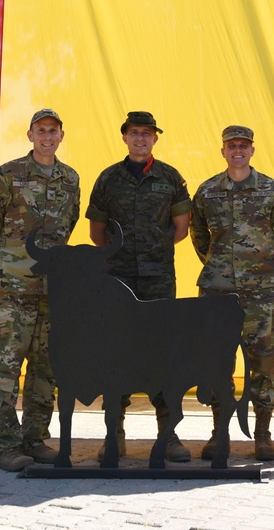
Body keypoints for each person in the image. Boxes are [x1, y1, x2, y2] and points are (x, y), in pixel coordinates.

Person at [87, 110, 192, 462]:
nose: (141, 139)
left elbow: (181, 228)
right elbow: (96, 232)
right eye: (135, 133)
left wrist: (154, 251)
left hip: (158, 279)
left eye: (147, 133)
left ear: (155, 139)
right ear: (125, 137)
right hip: (117, 282)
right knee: (115, 355)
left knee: (162, 355)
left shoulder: (171, 178)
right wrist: (116, 259)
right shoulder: (107, 180)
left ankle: (170, 435)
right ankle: (113, 436)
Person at [0, 108, 80, 471]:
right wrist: (2, 270)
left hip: (54, 291)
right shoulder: (9, 175)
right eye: (41, 131)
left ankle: (35, 439)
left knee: (46, 367)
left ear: (61, 136)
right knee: (6, 366)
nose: (47, 137)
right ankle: (4, 446)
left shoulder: (70, 179)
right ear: (30, 135)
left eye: (53, 131)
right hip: (14, 287)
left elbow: (68, 227)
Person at [190, 124, 274, 461]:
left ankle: (263, 435)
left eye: (244, 146)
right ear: (223, 151)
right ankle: (219, 433)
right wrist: (220, 266)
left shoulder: (270, 190)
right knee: (217, 364)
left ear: (252, 150)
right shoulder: (207, 192)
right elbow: (199, 237)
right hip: (218, 294)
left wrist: (263, 268)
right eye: (232, 145)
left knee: (263, 363)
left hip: (263, 294)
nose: (238, 150)